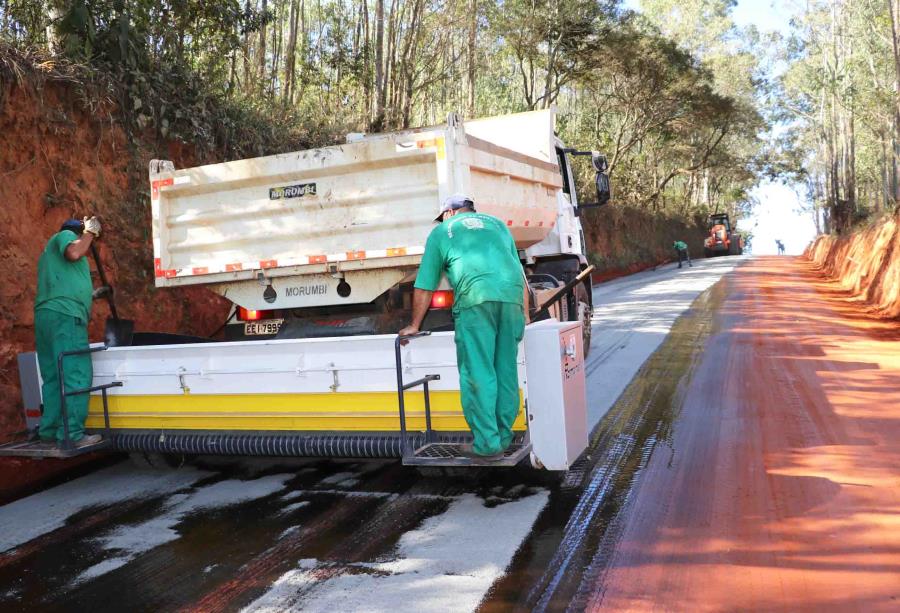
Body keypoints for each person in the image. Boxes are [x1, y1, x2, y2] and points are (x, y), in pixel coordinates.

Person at [399, 194, 528, 462]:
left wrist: (414, 324)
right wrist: (525, 315)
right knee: (505, 371)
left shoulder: (442, 231)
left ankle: (487, 445)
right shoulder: (498, 225)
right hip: (512, 300)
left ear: (449, 213)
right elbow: (518, 271)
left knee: (478, 372)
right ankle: (503, 438)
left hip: (476, 302)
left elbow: (425, 283)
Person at [35, 216, 104, 447]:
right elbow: (74, 252)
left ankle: (49, 431)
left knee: (54, 376)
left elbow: (64, 282)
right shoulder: (66, 237)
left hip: (47, 316)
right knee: (76, 373)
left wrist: (92, 295)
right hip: (66, 316)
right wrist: (90, 233)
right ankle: (72, 434)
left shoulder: (49, 254)